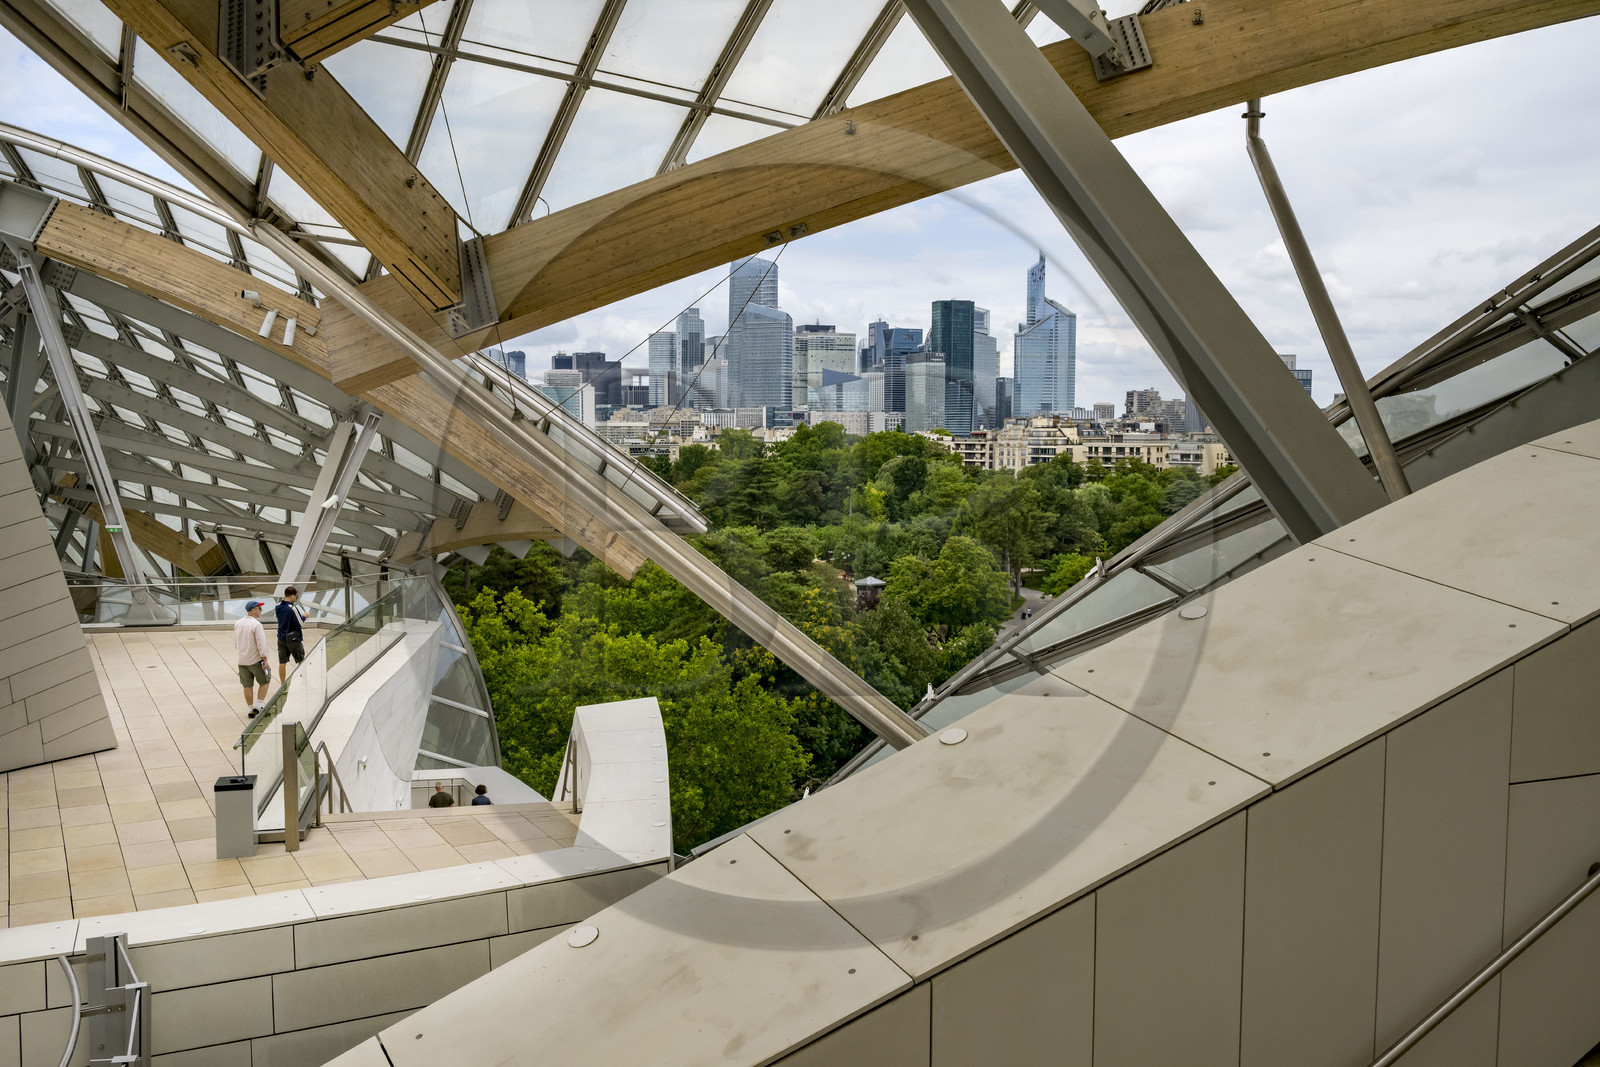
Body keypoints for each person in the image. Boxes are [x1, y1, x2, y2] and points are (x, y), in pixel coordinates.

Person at [234, 601, 272, 717]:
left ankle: (251, 709)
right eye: (259, 608)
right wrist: (264, 658)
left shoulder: (238, 623)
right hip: (255, 660)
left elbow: (236, 642)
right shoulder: (256, 625)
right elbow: (261, 643)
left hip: (242, 660)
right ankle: (258, 706)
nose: (261, 611)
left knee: (247, 685)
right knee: (265, 680)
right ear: (253, 610)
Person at [274, 587, 309, 683]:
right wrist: (304, 616)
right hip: (293, 639)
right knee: (301, 660)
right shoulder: (292, 608)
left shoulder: (277, 606)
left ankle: (282, 684)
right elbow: (300, 623)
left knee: (282, 662)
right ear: (292, 596)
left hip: (281, 638)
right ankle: (303, 682)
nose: (296, 598)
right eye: (296, 596)